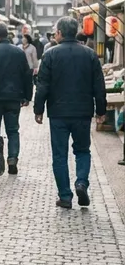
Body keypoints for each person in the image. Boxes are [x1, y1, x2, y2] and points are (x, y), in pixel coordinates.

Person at [34, 16, 106, 209]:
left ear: (59, 33)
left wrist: (38, 109)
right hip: (83, 112)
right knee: (82, 150)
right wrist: (101, 110)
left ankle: (65, 196)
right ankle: (81, 182)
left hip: (58, 113)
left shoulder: (50, 54)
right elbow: (99, 86)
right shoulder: (90, 54)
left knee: (59, 155)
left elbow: (42, 85)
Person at [0, 22, 33, 174]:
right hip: (13, 98)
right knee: (13, 130)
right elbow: (26, 75)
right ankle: (12, 158)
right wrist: (27, 96)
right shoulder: (19, 52)